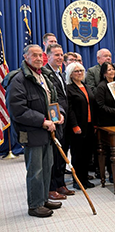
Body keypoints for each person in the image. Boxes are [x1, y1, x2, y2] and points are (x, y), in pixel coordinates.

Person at [5, 44, 63, 217]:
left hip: (47, 131)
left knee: (47, 167)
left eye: (40, 55)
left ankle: (43, 199)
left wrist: (59, 115)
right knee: (35, 170)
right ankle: (35, 205)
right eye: (34, 55)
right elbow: (17, 110)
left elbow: (54, 99)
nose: (39, 58)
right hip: (31, 132)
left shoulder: (44, 75)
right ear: (26, 57)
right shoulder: (18, 80)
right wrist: (43, 121)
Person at [45, 44, 75, 199]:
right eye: (56, 55)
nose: (60, 58)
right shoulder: (45, 74)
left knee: (62, 155)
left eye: (61, 54)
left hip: (64, 120)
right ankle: (51, 188)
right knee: (53, 157)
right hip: (53, 121)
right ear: (48, 56)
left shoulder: (61, 74)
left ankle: (60, 184)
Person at [66, 62, 96, 190]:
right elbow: (70, 110)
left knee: (87, 154)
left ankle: (85, 179)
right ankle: (77, 181)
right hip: (77, 127)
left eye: (81, 71)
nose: (79, 73)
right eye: (76, 71)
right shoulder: (68, 88)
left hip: (89, 125)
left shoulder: (86, 86)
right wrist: (74, 126)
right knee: (78, 155)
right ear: (70, 74)